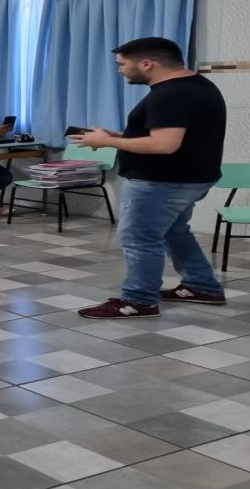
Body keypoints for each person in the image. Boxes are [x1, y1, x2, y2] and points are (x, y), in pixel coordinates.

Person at [73, 37, 227, 319]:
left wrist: (108, 143)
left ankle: (139, 300)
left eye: (122, 64)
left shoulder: (170, 94)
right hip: (188, 177)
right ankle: (201, 286)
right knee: (173, 231)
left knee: (138, 237)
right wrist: (116, 137)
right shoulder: (196, 85)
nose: (120, 70)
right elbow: (172, 136)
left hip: (162, 182)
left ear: (146, 63)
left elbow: (164, 145)